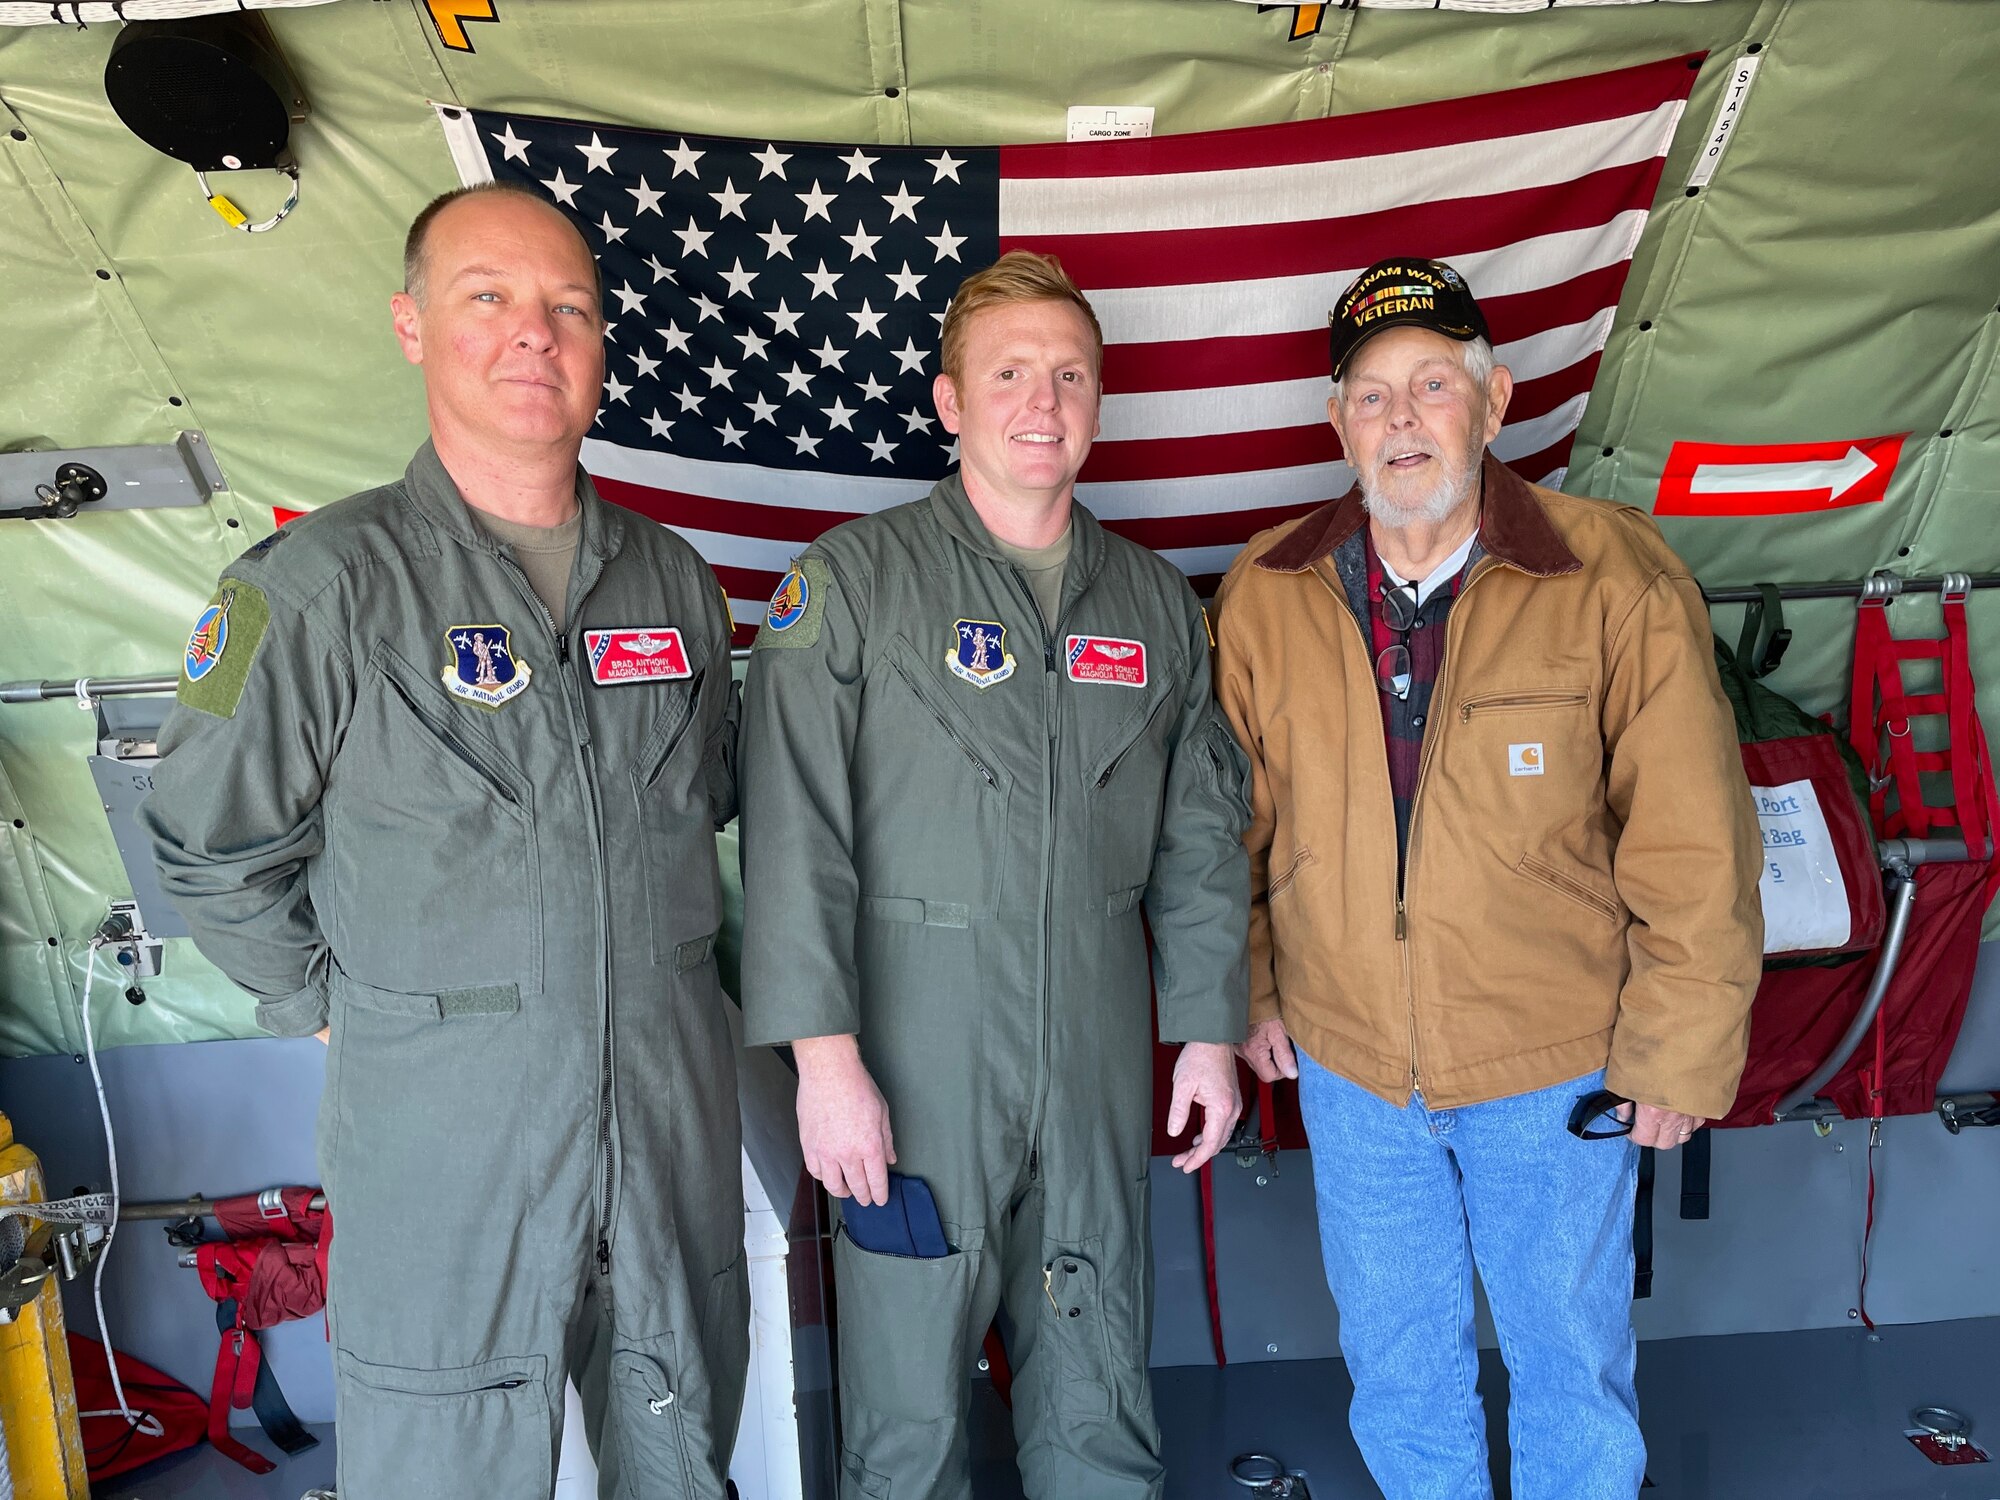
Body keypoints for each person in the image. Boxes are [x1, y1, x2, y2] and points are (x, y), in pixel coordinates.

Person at [141, 182, 747, 1500]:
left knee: (682, 1453)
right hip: (450, 1161)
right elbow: (200, 834)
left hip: (666, 1136)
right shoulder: (311, 591)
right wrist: (327, 1004)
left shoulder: (675, 583)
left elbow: (702, 807)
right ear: (413, 326)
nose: (535, 334)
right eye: (490, 299)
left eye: (569, 309)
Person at [1214, 257, 1762, 1500]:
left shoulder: (1610, 575)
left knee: (1569, 1360)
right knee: (1397, 1365)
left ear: (1495, 398)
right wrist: (1249, 988)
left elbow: (1692, 839)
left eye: (1430, 387)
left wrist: (1675, 1052)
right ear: (1335, 422)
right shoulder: (1266, 591)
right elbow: (1225, 830)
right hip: (1352, 1065)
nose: (1400, 420)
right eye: (1369, 396)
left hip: (1551, 1059)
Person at [738, 250, 1251, 1500]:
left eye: (1070, 375)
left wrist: (1202, 1035)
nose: (1043, 402)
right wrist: (823, 1060)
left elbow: (1197, 830)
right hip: (913, 1049)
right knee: (906, 1404)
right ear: (949, 402)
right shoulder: (848, 587)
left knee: (1098, 1377)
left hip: (1090, 1034)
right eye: (1010, 373)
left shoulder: (1151, 604)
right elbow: (790, 829)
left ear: (1098, 402)